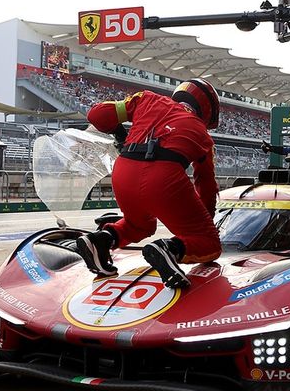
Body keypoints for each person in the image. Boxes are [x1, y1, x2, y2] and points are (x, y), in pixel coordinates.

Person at [75, 80, 222, 290]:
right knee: (210, 244)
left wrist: (119, 133)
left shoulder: (146, 98)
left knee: (140, 225)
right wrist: (202, 224)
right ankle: (170, 249)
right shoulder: (204, 137)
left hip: (123, 171)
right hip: (164, 176)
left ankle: (101, 240)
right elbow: (206, 187)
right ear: (206, 111)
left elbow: (97, 115)